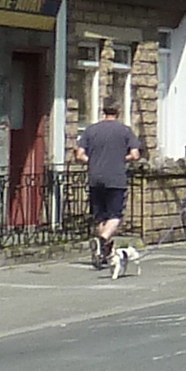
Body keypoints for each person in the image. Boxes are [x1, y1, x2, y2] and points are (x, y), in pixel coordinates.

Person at [79, 105, 143, 272]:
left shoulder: (91, 130)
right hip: (116, 178)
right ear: (118, 113)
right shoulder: (125, 131)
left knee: (100, 216)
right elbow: (135, 155)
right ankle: (102, 240)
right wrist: (122, 159)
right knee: (115, 215)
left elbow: (79, 155)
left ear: (103, 112)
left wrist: (92, 161)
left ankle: (103, 252)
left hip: (95, 177)